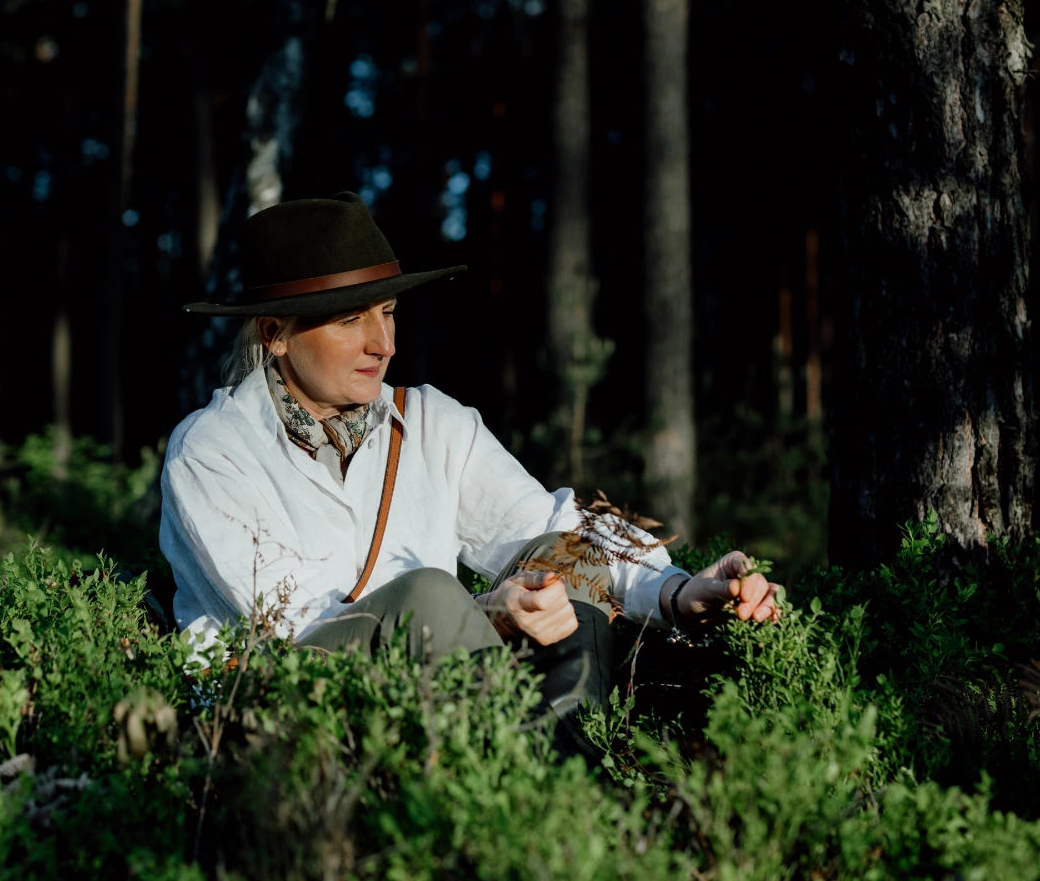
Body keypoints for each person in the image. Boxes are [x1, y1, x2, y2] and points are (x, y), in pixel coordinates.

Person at [160, 192, 781, 748]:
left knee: (571, 558)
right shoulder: (212, 451)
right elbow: (294, 625)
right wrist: (483, 614)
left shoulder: (433, 423)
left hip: (447, 696)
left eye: (388, 311)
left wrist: (678, 592)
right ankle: (536, 780)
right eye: (351, 320)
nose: (384, 343)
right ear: (275, 333)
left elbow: (558, 527)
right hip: (286, 714)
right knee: (430, 593)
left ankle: (563, 766)